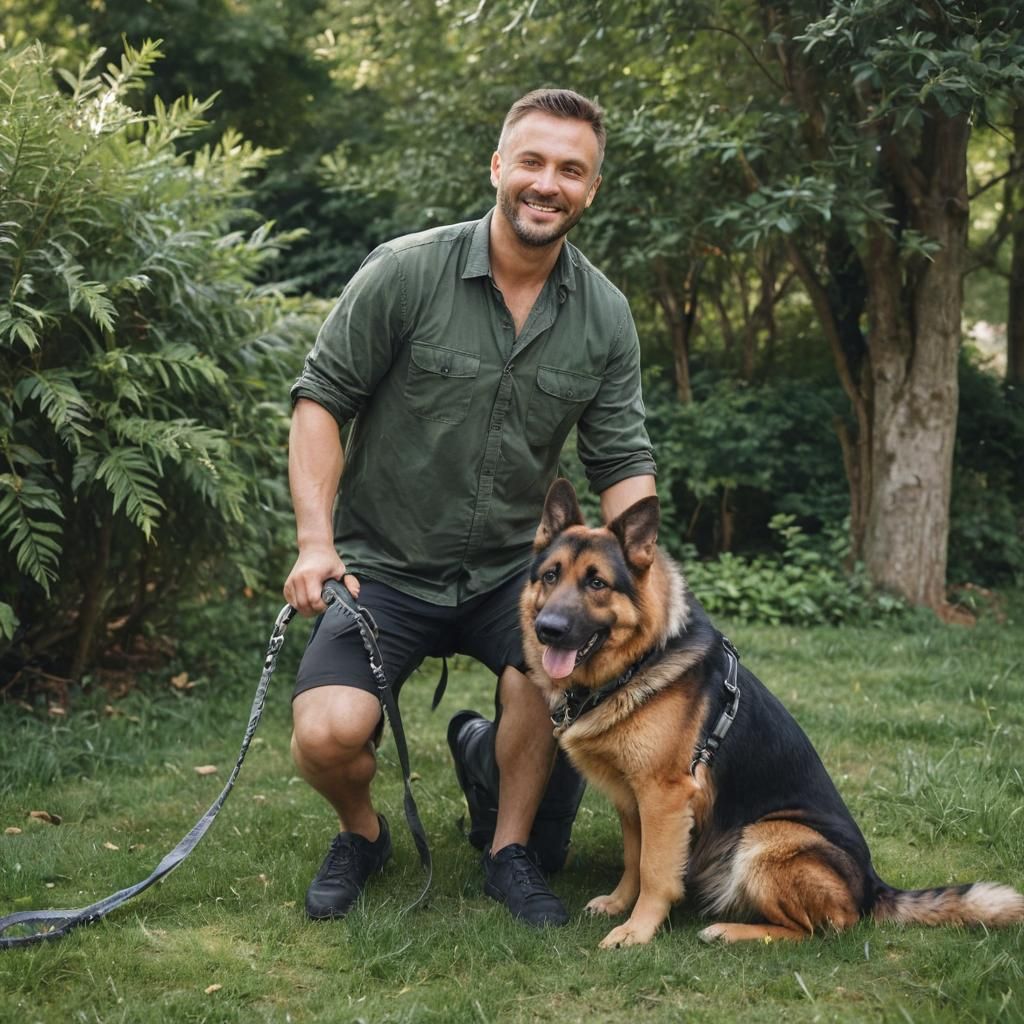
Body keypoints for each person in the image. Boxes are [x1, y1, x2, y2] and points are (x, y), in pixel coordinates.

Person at [283, 88, 657, 928]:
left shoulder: (604, 317)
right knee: (328, 733)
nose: (547, 183)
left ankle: (510, 850)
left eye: (571, 170)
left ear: (591, 189)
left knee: (551, 680)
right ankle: (364, 833)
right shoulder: (405, 271)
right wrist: (316, 543)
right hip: (383, 564)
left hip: (511, 576)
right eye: (532, 161)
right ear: (498, 167)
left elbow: (623, 458)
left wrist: (643, 583)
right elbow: (321, 400)